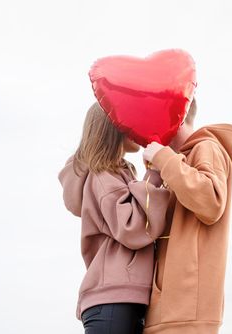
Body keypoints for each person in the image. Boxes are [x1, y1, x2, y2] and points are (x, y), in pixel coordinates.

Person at [58, 102, 171, 334]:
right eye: (132, 122)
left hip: (117, 298)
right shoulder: (103, 175)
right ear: (115, 127)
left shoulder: (115, 172)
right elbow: (132, 227)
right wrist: (155, 174)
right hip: (114, 300)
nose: (138, 129)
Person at [141, 99, 232, 334]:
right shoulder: (178, 161)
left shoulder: (206, 147)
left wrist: (164, 157)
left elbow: (211, 202)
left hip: (184, 311)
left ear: (176, 116)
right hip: (169, 309)